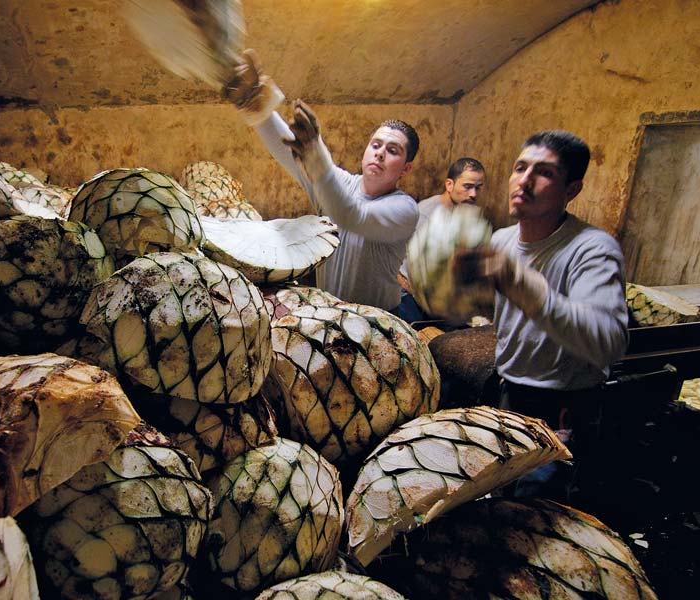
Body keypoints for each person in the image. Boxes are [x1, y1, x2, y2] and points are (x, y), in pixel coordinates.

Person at [458, 130, 629, 500]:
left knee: (536, 512)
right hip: (509, 394)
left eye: (545, 172)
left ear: (572, 189)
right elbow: (500, 312)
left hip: (565, 407)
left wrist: (518, 282)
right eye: (520, 168)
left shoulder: (592, 250)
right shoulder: (502, 241)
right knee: (498, 499)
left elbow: (609, 341)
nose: (525, 180)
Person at [223, 51, 420, 312]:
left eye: (393, 150)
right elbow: (291, 155)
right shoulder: (339, 185)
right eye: (376, 145)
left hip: (380, 323)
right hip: (331, 318)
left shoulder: (404, 209)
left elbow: (352, 215)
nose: (380, 153)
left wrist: (316, 155)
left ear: (406, 168)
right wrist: (257, 104)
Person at [396, 157, 486, 321]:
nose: (473, 194)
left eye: (478, 188)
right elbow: (397, 262)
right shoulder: (424, 214)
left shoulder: (468, 216)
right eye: (467, 187)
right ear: (449, 185)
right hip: (408, 294)